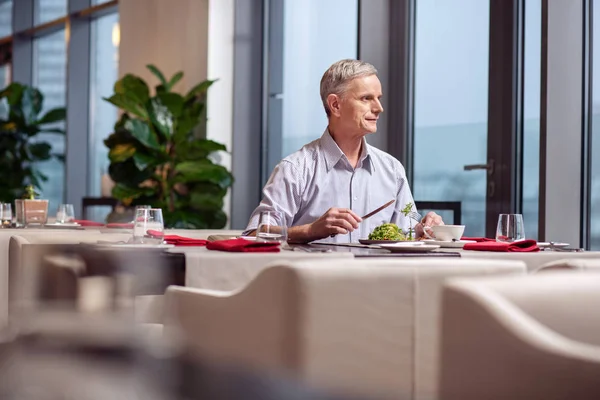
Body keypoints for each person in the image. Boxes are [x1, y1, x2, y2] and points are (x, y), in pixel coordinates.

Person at [246, 59, 443, 243]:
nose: (379, 108)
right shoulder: (295, 169)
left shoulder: (393, 169)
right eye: (366, 98)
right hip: (314, 279)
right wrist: (310, 230)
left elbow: (406, 232)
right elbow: (254, 235)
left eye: (378, 98)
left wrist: (423, 229)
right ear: (335, 105)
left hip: (377, 278)